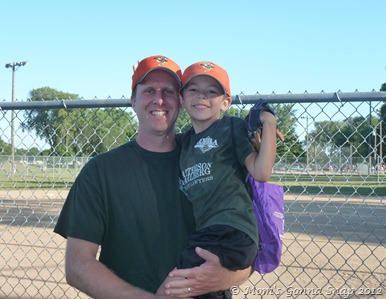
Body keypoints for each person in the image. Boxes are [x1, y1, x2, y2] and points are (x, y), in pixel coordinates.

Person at [54, 55, 251, 299]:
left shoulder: (217, 160)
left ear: (180, 101)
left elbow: (248, 249)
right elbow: (78, 266)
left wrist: (224, 278)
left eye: (168, 91)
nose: (159, 99)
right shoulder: (100, 171)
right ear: (133, 101)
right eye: (149, 90)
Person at [157, 61, 277, 298]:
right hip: (209, 234)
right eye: (193, 90)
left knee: (172, 289)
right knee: (206, 291)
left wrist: (269, 123)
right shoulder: (184, 142)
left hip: (230, 230)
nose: (202, 95)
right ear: (181, 99)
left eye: (212, 91)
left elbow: (261, 172)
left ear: (225, 102)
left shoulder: (230, 128)